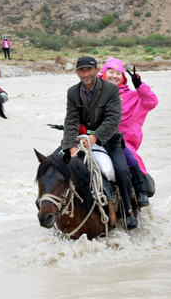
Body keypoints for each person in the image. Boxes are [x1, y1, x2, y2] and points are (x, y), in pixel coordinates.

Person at [61, 55, 139, 229]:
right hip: (80, 140)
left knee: (121, 170)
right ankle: (54, 209)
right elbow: (71, 120)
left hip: (108, 140)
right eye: (82, 70)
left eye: (89, 70)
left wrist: (95, 137)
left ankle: (128, 211)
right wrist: (71, 146)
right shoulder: (72, 92)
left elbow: (113, 119)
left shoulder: (110, 89)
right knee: (54, 165)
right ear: (77, 73)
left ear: (97, 70)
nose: (86, 74)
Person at [99, 58, 156, 207]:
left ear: (123, 78)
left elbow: (151, 102)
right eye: (111, 72)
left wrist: (140, 86)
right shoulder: (92, 90)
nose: (114, 76)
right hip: (93, 136)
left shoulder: (132, 96)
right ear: (103, 73)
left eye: (118, 73)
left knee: (128, 158)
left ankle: (140, 191)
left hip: (122, 140)